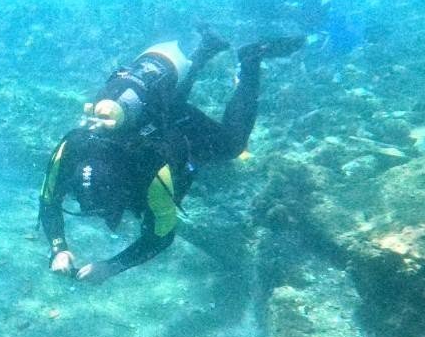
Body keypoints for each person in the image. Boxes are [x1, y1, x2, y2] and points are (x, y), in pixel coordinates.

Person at [38, 28, 302, 284]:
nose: (93, 212)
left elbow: (162, 235)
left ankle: (251, 59)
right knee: (168, 103)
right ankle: (205, 49)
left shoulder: (151, 171)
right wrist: (58, 248)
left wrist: (113, 266)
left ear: (126, 189)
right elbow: (48, 200)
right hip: (147, 113)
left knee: (231, 146)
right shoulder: (72, 149)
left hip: (177, 130)